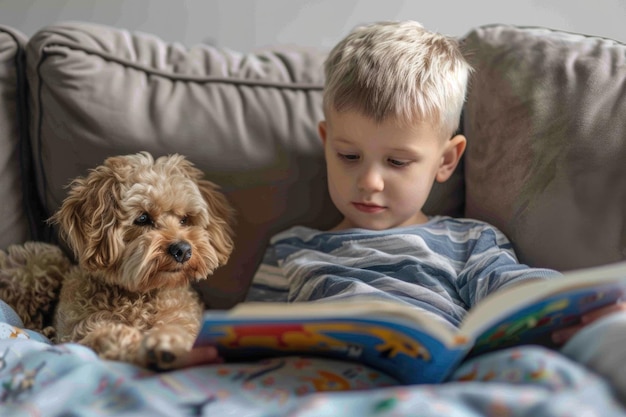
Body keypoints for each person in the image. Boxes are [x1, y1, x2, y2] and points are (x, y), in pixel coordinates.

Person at [244, 20, 625, 344]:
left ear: (445, 160)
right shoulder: (291, 250)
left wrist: (583, 306)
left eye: (397, 161)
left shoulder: (469, 242)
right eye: (349, 156)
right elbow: (248, 340)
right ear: (327, 143)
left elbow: (521, 292)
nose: (370, 182)